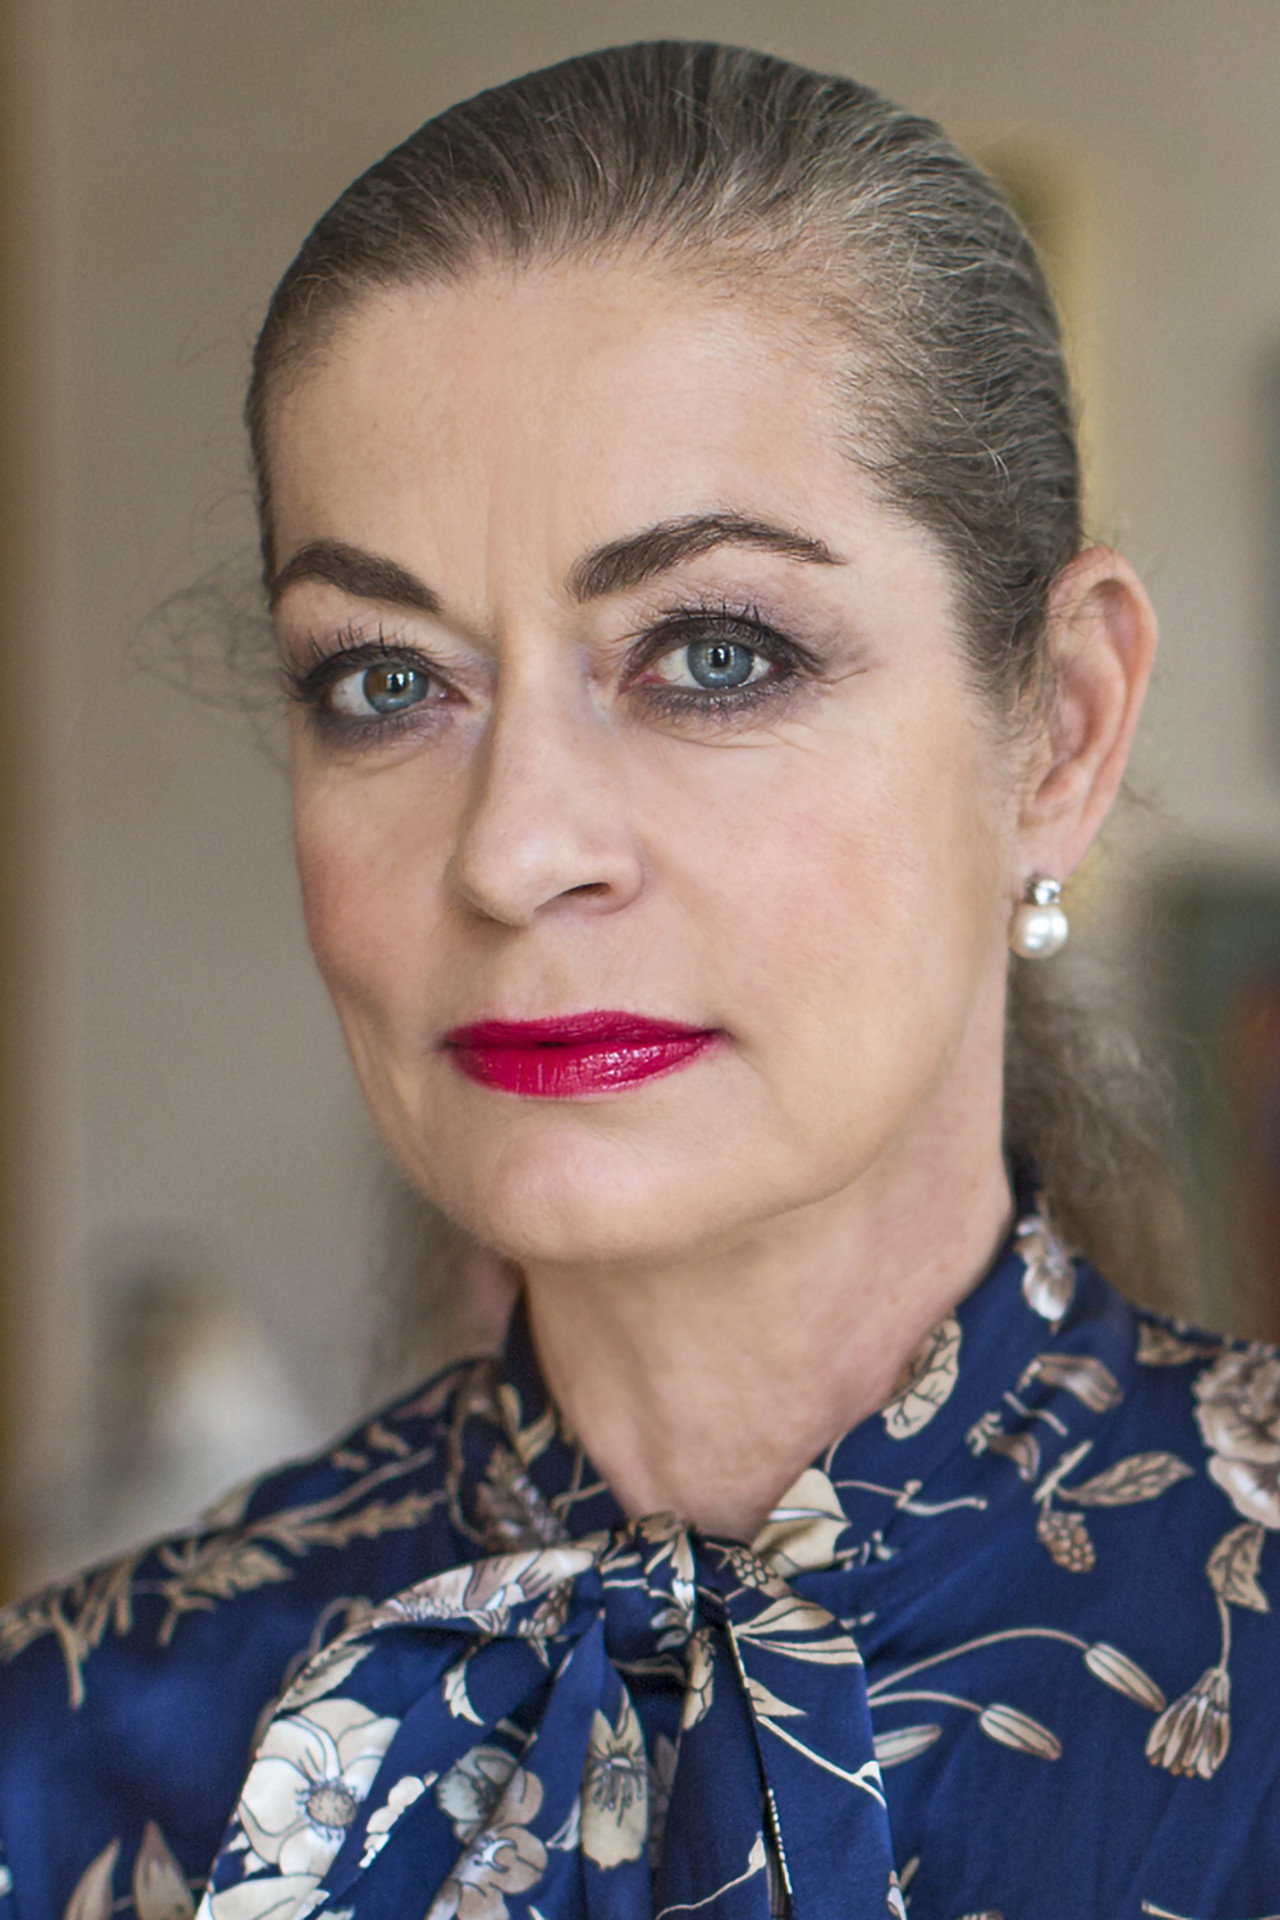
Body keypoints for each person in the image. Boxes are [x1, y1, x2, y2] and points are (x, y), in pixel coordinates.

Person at [0, 38, 1276, 1920]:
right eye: (385, 681)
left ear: (1061, 729)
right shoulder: (70, 1753)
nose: (514, 849)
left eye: (714, 656)